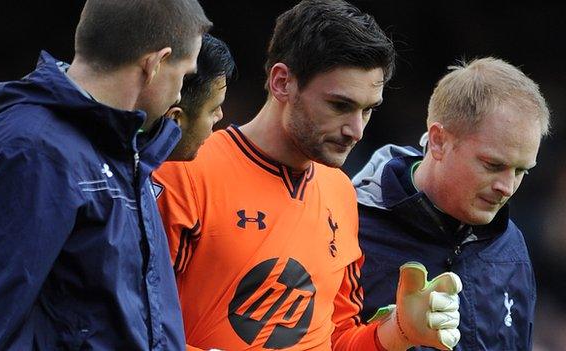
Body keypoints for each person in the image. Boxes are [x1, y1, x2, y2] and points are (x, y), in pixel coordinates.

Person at [153, 1, 462, 350]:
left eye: (368, 110)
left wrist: (398, 332)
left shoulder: (340, 191)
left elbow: (340, 338)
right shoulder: (185, 172)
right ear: (283, 82)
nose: (356, 130)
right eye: (340, 105)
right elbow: (136, 326)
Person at [0, 0, 211, 349]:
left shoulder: (119, 146)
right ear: (155, 63)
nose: (180, 93)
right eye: (184, 75)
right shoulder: (32, 153)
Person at [353, 57, 550, 350]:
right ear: (438, 141)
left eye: (521, 170)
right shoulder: (351, 227)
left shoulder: (511, 247)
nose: (507, 188)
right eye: (493, 164)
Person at [163, 33, 236, 162]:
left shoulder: (136, 174)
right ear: (174, 119)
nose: (220, 115)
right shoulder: (122, 178)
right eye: (213, 109)